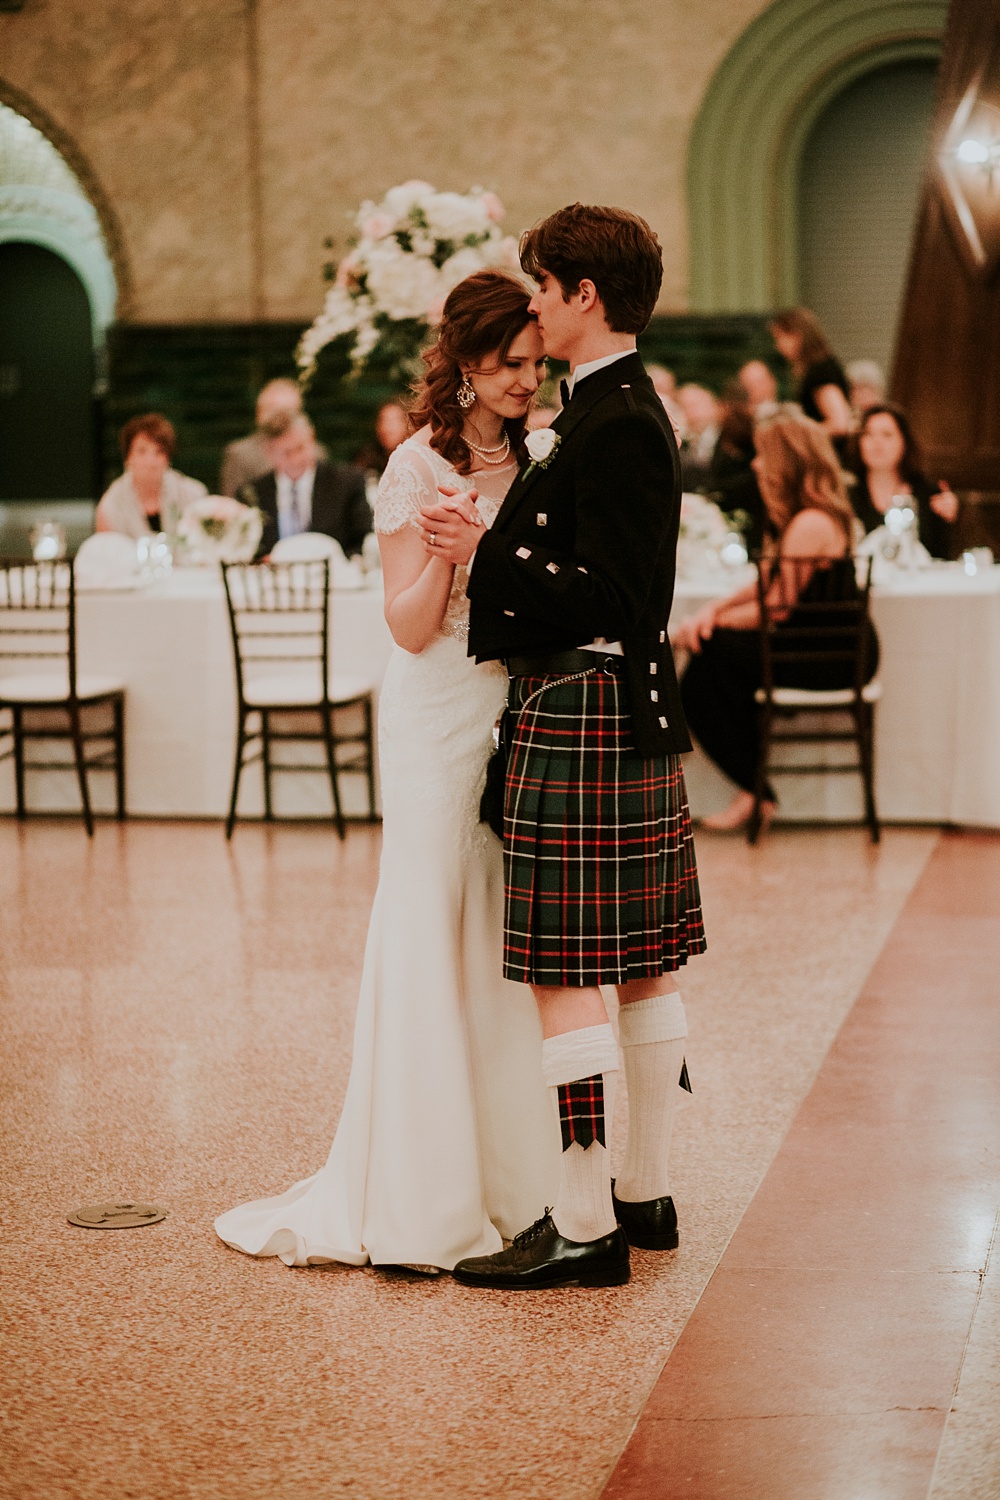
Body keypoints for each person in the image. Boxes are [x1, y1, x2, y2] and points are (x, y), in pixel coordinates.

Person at [215, 270, 560, 1272]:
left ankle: (517, 1183)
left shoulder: (542, 455)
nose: (525, 384)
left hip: (511, 705)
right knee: (423, 917)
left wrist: (496, 545)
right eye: (508, 366)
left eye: (535, 365)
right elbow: (406, 630)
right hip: (432, 712)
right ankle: (420, 1192)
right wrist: (454, 554)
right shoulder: (412, 466)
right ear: (462, 363)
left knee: (497, 929)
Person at [419, 203, 705, 1291]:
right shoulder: (605, 407)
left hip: (585, 704)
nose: (533, 304)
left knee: (570, 972)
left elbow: (621, 598)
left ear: (585, 295)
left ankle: (587, 1221)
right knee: (639, 964)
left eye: (542, 285)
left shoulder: (621, 416)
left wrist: (490, 545)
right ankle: (641, 1192)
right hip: (604, 708)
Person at [676, 409, 879, 832]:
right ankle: (754, 791)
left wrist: (708, 625)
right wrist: (715, 610)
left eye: (764, 456)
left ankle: (756, 793)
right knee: (711, 663)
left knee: (701, 676)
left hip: (832, 653)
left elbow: (778, 608)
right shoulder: (800, 515)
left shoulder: (811, 523)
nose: (754, 464)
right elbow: (764, 582)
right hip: (812, 643)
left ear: (788, 461)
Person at [239, 411, 372, 559]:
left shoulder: (347, 483)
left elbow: (364, 542)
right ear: (268, 452)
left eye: (301, 448)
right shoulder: (253, 493)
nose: (296, 459)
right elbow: (246, 550)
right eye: (286, 453)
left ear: (312, 439)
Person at [849, 403, 958, 559]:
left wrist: (949, 520)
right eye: (868, 434)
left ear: (904, 442)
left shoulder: (930, 494)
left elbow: (941, 556)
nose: (876, 442)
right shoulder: (847, 494)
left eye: (886, 434)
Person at [95, 413, 206, 537]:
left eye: (159, 452)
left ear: (168, 458)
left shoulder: (193, 494)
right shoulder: (110, 506)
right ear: (128, 457)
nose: (150, 461)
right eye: (142, 451)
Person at [769, 308, 854, 439]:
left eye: (780, 337)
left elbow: (839, 423)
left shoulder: (820, 371)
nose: (778, 346)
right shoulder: (820, 367)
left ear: (797, 336)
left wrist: (798, 438)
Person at [219, 378, 303, 497]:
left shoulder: (316, 453)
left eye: (290, 413)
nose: (283, 421)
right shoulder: (240, 454)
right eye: (277, 413)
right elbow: (232, 504)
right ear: (260, 413)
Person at [677, 382, 721, 490]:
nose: (690, 411)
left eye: (695, 405)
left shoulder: (728, 438)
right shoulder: (684, 442)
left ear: (713, 405)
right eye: (684, 407)